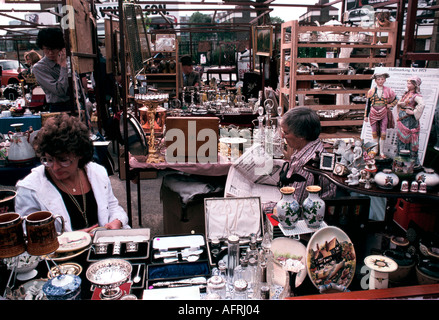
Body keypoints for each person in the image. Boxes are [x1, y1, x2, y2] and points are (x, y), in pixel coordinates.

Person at [15, 113, 129, 233]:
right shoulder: (30, 188)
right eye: (49, 160)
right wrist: (70, 239)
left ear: (79, 154)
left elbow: (112, 206)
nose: (55, 167)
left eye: (63, 160)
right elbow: (28, 233)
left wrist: (117, 221)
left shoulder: (97, 173)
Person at [279, 107, 336, 204]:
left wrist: (264, 206)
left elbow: (295, 204)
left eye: (286, 133)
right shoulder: (311, 149)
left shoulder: (308, 162)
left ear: (301, 136)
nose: (282, 136)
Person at [32, 27, 71, 112]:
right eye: (46, 49)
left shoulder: (68, 60)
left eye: (53, 49)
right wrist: (64, 67)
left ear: (60, 48)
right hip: (59, 107)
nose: (50, 53)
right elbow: (60, 91)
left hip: (76, 104)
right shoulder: (39, 67)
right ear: (42, 48)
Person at [364, 73, 397, 158]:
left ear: (385, 80)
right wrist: (366, 116)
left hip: (384, 112)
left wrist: (391, 105)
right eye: (378, 79)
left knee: (383, 132)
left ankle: (382, 152)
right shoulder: (371, 91)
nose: (380, 81)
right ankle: (375, 150)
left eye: (382, 79)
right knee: (374, 132)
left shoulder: (389, 90)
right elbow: (368, 104)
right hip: (373, 113)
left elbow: (396, 99)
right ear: (375, 81)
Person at [396, 75, 425, 164]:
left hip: (409, 121)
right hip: (402, 119)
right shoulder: (406, 94)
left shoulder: (416, 96)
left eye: (410, 83)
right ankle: (400, 161)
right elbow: (399, 103)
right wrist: (400, 104)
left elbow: (422, 104)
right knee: (400, 140)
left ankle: (409, 163)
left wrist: (413, 112)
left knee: (409, 140)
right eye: (407, 82)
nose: (408, 84)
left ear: (415, 85)